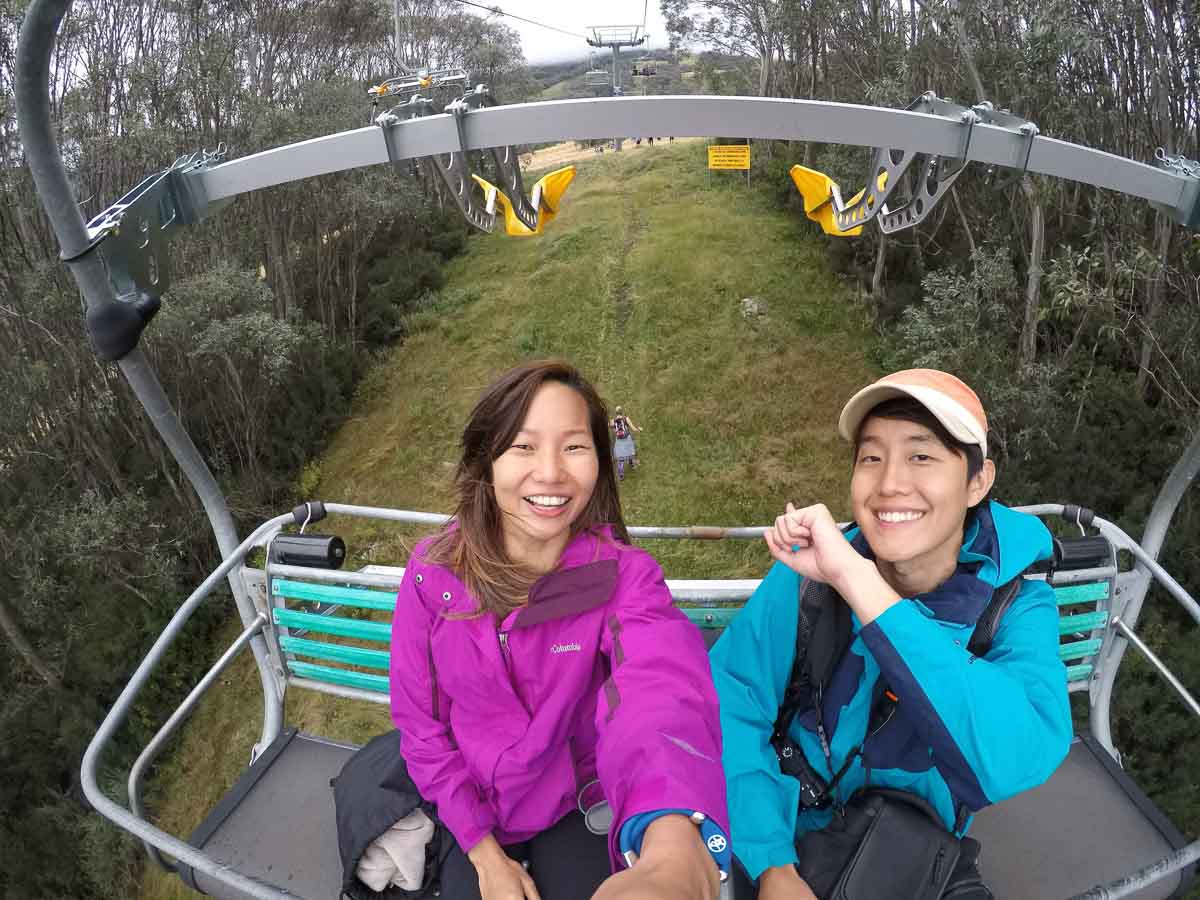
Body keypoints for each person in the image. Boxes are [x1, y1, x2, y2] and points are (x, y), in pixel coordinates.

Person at [711, 368, 1073, 899]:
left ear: (978, 481)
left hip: (908, 855)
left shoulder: (1015, 607)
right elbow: (731, 702)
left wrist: (859, 583)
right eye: (871, 458)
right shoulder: (804, 580)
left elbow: (1012, 760)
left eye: (921, 456)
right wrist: (773, 868)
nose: (889, 484)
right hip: (780, 834)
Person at [389, 361, 729, 900]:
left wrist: (672, 844)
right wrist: (483, 853)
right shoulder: (435, 575)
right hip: (472, 810)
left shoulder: (620, 577)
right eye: (523, 447)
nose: (550, 474)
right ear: (487, 461)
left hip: (575, 806)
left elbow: (659, 686)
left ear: (600, 459)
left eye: (574, 447)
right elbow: (420, 723)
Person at [610, 406, 644, 481]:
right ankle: (631, 463)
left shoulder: (612, 421)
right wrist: (639, 429)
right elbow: (634, 429)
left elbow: (610, 426)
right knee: (630, 452)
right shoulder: (626, 419)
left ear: (616, 413)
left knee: (620, 459)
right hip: (627, 439)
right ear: (621, 411)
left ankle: (621, 476)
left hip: (619, 441)